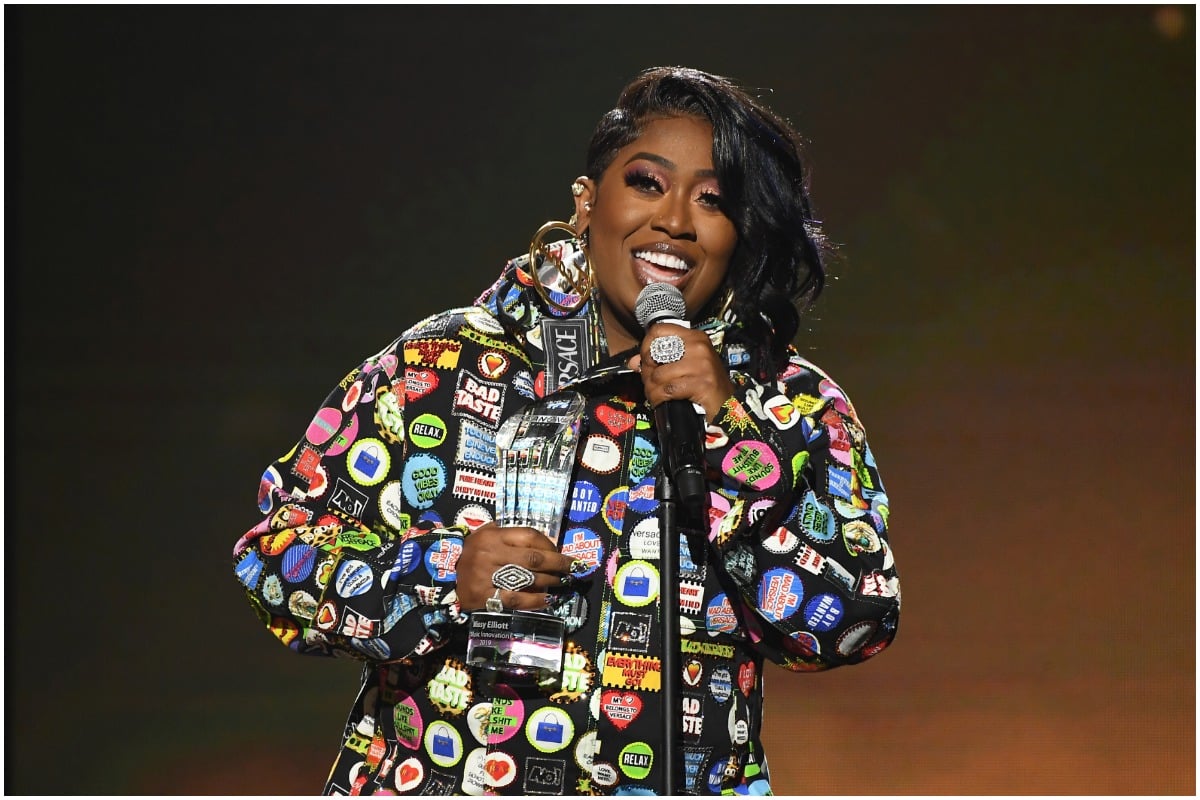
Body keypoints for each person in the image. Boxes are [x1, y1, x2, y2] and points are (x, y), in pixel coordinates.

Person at [232, 66, 900, 796]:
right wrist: (441, 577)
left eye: (712, 199)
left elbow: (856, 620)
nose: (675, 219)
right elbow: (277, 557)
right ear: (587, 204)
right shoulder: (445, 364)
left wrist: (728, 442)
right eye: (647, 182)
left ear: (738, 234)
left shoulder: (789, 405)